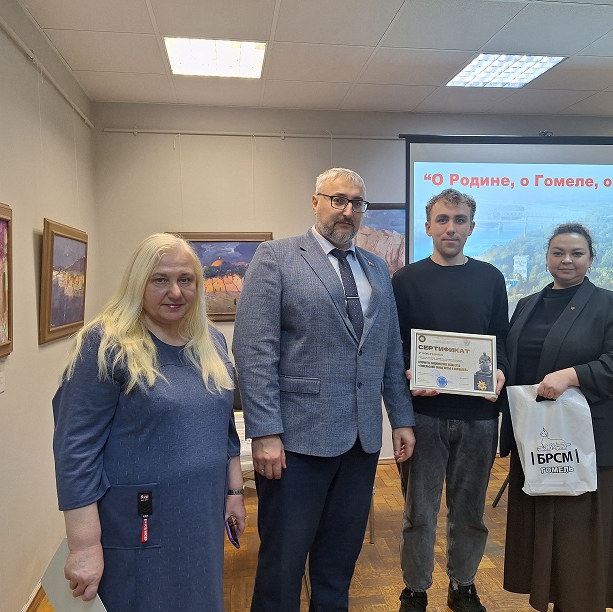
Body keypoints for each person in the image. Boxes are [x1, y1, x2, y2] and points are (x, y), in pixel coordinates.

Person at [232, 167, 416, 612]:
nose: (348, 211)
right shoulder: (276, 257)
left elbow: (388, 349)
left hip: (360, 443)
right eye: (338, 200)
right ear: (315, 202)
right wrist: (265, 432)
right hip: (295, 445)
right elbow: (254, 350)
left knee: (338, 566)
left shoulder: (376, 267)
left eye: (357, 203)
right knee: (282, 567)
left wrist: (402, 418)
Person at [52, 233, 245, 611]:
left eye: (185, 279)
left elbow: (223, 428)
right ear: (138, 282)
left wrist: (234, 493)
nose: (175, 291)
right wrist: (84, 546)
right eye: (160, 279)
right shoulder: (106, 343)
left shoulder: (210, 342)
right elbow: (75, 449)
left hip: (201, 515)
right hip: (139, 523)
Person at [499, 223, 613, 612]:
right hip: (537, 437)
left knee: (579, 537)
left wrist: (573, 375)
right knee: (542, 527)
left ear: (591, 259)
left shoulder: (610, 304)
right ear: (547, 257)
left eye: (577, 253)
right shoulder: (526, 304)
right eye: (558, 252)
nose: (567, 260)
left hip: (586, 443)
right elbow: (516, 361)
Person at [392, 188, 510, 612]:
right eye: (442, 219)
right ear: (428, 227)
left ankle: (463, 584)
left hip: (479, 417)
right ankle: (415, 588)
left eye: (459, 220)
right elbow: (395, 346)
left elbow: (501, 340)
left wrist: (500, 370)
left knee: (470, 513)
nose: (451, 228)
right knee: (419, 513)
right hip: (424, 415)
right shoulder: (405, 280)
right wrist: (411, 372)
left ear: (471, 227)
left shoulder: (491, 278)